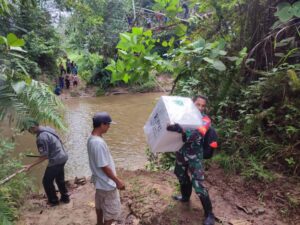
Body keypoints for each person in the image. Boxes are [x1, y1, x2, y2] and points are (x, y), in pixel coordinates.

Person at [167, 95, 217, 225]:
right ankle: (185, 197)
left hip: (195, 155)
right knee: (180, 174)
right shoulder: (182, 116)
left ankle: (209, 214)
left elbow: (197, 134)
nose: (200, 107)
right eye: (197, 104)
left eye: (202, 105)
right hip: (181, 152)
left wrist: (181, 130)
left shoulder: (205, 120)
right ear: (192, 104)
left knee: (198, 184)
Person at [87, 112, 125, 225]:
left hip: (99, 183)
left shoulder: (91, 138)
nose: (109, 127)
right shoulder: (98, 143)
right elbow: (104, 166)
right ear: (102, 124)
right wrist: (117, 181)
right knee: (111, 214)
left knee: (100, 206)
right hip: (107, 184)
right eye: (108, 124)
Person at [25, 120, 70, 206]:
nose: (29, 131)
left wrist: (29, 165)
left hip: (56, 160)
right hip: (63, 156)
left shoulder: (41, 138)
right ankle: (65, 198)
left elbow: (44, 156)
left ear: (33, 127)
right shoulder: (48, 128)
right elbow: (58, 140)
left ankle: (53, 201)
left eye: (29, 129)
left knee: (46, 181)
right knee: (59, 179)